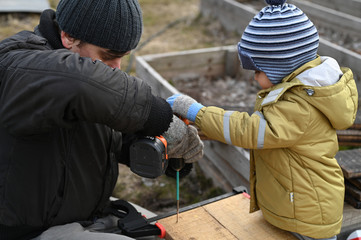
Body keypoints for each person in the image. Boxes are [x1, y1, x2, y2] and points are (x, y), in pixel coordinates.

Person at [0, 0, 204, 239]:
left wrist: (165, 149)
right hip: (27, 233)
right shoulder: (17, 65)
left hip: (89, 217)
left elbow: (111, 131)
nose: (116, 68)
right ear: (67, 37)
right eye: (108, 55)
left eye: (123, 57)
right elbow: (78, 83)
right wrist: (157, 115)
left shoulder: (91, 82)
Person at [167, 0, 358, 239]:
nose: (255, 77)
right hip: (298, 206)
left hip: (310, 214)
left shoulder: (299, 106)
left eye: (258, 70)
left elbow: (249, 131)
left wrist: (197, 112)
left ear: (283, 66)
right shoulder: (299, 92)